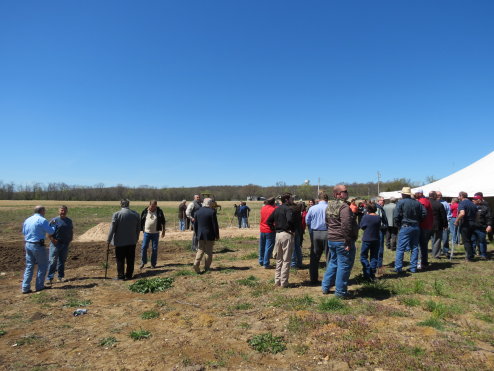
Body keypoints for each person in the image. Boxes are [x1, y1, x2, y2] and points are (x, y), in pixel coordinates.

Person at [321, 185, 359, 298]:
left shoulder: (329, 205)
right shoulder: (344, 207)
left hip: (332, 239)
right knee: (344, 265)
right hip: (342, 240)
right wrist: (347, 241)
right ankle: (341, 292)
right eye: (344, 191)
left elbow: (327, 222)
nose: (347, 193)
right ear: (338, 194)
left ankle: (325, 286)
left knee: (333, 262)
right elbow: (346, 225)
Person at [21, 205, 56, 293]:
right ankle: (39, 286)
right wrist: (53, 225)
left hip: (28, 244)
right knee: (42, 265)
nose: (45, 213)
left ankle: (25, 287)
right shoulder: (42, 220)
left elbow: (24, 232)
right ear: (42, 211)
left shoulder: (28, 220)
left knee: (29, 266)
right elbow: (51, 231)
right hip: (37, 245)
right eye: (44, 211)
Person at [393, 187, 427, 274]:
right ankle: (413, 268)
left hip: (406, 226)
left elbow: (396, 215)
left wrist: (398, 225)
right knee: (415, 247)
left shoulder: (401, 202)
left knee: (400, 248)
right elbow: (424, 213)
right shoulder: (417, 202)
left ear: (403, 194)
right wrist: (418, 220)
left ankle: (398, 268)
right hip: (416, 226)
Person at [266, 193, 295, 288]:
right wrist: (289, 229)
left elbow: (268, 221)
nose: (292, 200)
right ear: (286, 200)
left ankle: (277, 281)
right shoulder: (288, 209)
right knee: (286, 259)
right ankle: (284, 282)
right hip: (286, 235)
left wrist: (275, 229)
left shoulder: (277, 208)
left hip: (278, 235)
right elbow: (290, 220)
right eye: (291, 199)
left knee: (279, 259)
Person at [107, 199, 140, 280]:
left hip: (120, 242)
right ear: (128, 204)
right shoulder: (136, 214)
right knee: (130, 259)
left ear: (121, 204)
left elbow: (112, 229)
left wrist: (108, 240)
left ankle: (121, 276)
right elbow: (138, 228)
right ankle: (129, 275)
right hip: (132, 241)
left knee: (120, 259)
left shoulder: (117, 214)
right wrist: (136, 238)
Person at [305, 191, 329, 285]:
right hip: (328, 233)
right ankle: (329, 280)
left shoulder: (312, 208)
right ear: (327, 199)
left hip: (316, 233)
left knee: (314, 257)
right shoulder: (330, 207)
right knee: (329, 257)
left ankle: (313, 279)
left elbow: (307, 220)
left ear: (318, 199)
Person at [46, 205, 74, 284]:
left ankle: (60, 277)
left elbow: (71, 230)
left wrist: (70, 238)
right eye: (61, 210)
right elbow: (48, 232)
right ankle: (49, 278)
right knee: (52, 261)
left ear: (67, 211)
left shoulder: (69, 221)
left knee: (62, 261)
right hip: (56, 244)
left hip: (65, 244)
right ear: (58, 211)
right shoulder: (54, 221)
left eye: (64, 210)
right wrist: (53, 240)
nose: (63, 212)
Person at [193, 198, 220, 273]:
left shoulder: (197, 212)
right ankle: (207, 268)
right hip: (209, 234)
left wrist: (196, 233)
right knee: (208, 251)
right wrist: (217, 235)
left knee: (200, 249)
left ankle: (196, 263)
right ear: (210, 203)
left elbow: (195, 225)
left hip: (200, 234)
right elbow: (215, 225)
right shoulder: (212, 212)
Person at [139, 200, 166, 269]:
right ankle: (143, 262)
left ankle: (153, 264)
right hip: (146, 233)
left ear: (156, 205)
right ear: (149, 205)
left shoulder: (159, 211)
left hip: (155, 233)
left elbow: (163, 221)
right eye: (152, 206)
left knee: (154, 248)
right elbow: (141, 221)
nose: (153, 208)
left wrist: (163, 231)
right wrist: (141, 230)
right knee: (144, 247)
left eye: (154, 206)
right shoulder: (145, 211)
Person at [359, 202, 381, 281]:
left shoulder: (365, 217)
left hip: (367, 238)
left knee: (363, 256)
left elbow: (362, 226)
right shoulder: (378, 217)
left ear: (368, 209)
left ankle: (367, 272)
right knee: (374, 256)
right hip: (376, 238)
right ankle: (372, 273)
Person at [455, 191, 478, 261]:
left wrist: (457, 221)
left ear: (461, 196)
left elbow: (462, 213)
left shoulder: (462, 203)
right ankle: (472, 253)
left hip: (466, 223)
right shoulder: (473, 204)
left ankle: (469, 256)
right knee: (471, 239)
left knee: (466, 240)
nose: (458, 197)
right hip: (473, 223)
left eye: (459, 196)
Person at [472, 193, 492, 259]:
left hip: (481, 227)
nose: (473, 200)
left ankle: (483, 254)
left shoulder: (485, 208)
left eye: (475, 199)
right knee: (473, 241)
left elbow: (489, 217)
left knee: (482, 241)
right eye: (473, 199)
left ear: (479, 200)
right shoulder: (472, 207)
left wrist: (489, 225)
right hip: (473, 227)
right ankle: (472, 253)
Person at [415, 189, 433, 269]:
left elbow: (422, 213)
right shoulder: (424, 200)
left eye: (416, 193)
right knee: (423, 245)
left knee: (421, 245)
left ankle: (422, 263)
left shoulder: (422, 201)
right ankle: (423, 262)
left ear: (420, 193)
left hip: (424, 226)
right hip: (425, 225)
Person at [428, 191, 448, 259]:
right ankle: (436, 254)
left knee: (425, 241)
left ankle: (423, 254)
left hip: (427, 225)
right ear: (434, 196)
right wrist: (445, 225)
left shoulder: (425, 203)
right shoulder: (439, 204)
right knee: (437, 240)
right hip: (437, 225)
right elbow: (443, 216)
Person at [259, 197, 276, 268]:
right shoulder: (274, 209)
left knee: (262, 246)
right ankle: (266, 263)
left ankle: (261, 260)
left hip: (262, 229)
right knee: (268, 247)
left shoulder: (263, 208)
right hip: (270, 229)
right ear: (273, 202)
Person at [375, 197, 389, 271]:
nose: (383, 201)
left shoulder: (379, 207)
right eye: (382, 200)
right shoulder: (378, 208)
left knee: (379, 246)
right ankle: (379, 264)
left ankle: (378, 263)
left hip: (378, 230)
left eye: (384, 200)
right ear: (378, 201)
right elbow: (378, 219)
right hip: (379, 230)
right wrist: (382, 226)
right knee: (380, 247)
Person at [436, 191, 452, 256]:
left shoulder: (445, 203)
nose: (439, 196)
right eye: (437, 195)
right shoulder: (433, 203)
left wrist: (446, 221)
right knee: (436, 239)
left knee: (445, 238)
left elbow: (449, 213)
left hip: (444, 223)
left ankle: (445, 250)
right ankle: (437, 251)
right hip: (436, 224)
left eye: (440, 195)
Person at [290, 202, 304, 268]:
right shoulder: (298, 213)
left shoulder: (293, 212)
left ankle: (293, 263)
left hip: (294, 231)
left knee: (293, 248)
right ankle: (299, 262)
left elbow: (291, 221)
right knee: (298, 247)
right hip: (298, 230)